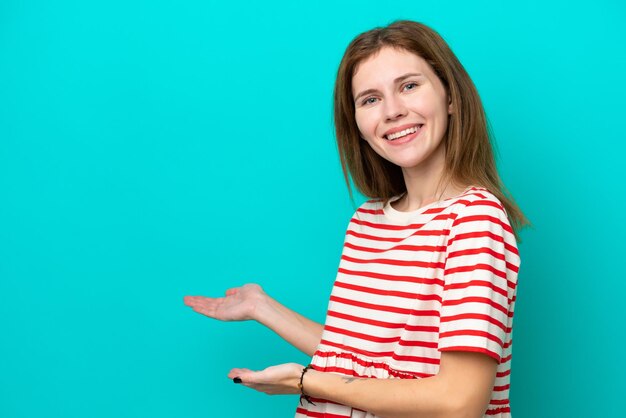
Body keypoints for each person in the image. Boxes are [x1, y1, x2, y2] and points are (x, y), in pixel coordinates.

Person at [184, 20, 528, 418]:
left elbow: (459, 401)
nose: (394, 111)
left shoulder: (473, 220)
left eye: (409, 86)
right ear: (358, 126)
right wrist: (263, 307)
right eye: (370, 99)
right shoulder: (366, 221)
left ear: (450, 96)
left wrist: (304, 380)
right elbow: (356, 357)